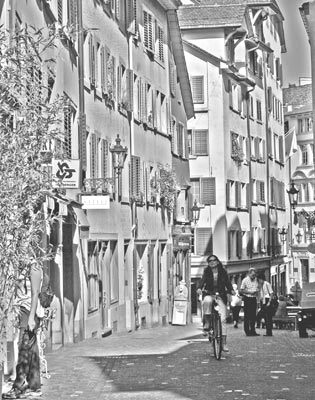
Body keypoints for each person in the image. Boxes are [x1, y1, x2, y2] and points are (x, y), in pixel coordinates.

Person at [3, 261, 44, 399]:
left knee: (23, 348)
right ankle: (35, 386)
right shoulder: (20, 266)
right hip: (22, 312)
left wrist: (31, 317)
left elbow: (35, 293)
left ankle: (18, 386)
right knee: (31, 350)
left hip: (29, 312)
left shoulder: (34, 268)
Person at [197, 255, 234, 352]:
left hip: (220, 295)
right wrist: (199, 288)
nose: (212, 262)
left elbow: (227, 283)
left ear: (217, 262)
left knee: (222, 320)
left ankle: (224, 343)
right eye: (210, 261)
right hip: (209, 293)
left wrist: (231, 290)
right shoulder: (206, 272)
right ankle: (207, 322)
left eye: (214, 260)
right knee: (207, 301)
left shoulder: (223, 272)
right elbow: (202, 281)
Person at [240, 268, 259, 337]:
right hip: (247, 298)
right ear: (249, 274)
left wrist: (256, 292)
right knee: (247, 316)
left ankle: (253, 331)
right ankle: (247, 331)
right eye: (252, 275)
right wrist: (250, 292)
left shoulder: (256, 280)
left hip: (254, 298)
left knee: (253, 315)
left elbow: (258, 287)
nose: (253, 277)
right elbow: (242, 290)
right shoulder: (245, 280)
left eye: (254, 275)